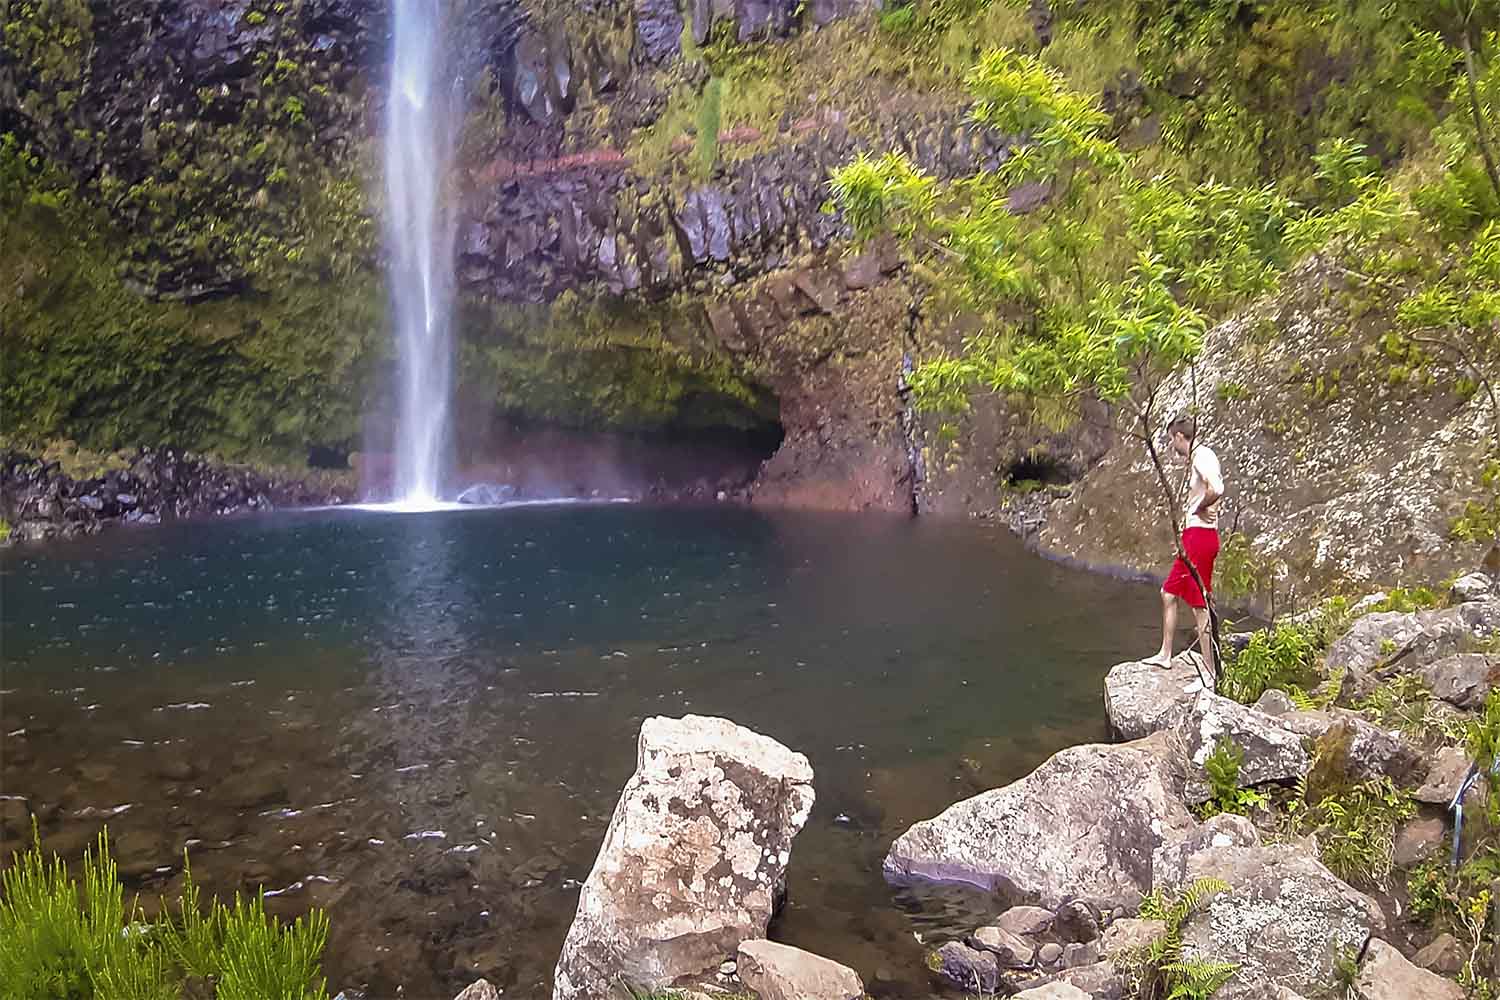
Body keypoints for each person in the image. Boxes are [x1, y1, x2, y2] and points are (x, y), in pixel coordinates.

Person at [1143, 415, 1223, 676]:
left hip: (1200, 537)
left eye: (1171, 439)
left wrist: (1200, 507)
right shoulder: (1204, 454)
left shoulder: (1200, 456)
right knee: (1169, 593)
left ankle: (1210, 673)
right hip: (1196, 536)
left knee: (1199, 606)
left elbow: (1217, 488)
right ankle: (1165, 654)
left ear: (1180, 437)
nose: (1171, 444)